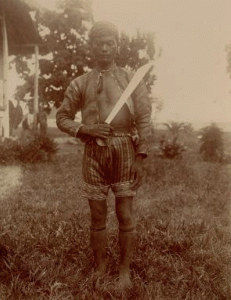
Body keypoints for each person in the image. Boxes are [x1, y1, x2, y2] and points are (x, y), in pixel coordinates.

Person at [56, 21, 151, 288]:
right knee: (97, 216)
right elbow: (62, 118)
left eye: (110, 43)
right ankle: (99, 268)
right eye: (100, 43)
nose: (105, 48)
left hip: (125, 149)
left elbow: (143, 118)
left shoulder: (131, 80)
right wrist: (85, 128)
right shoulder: (80, 83)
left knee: (125, 214)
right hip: (93, 151)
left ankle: (124, 272)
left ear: (117, 46)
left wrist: (141, 155)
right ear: (92, 47)